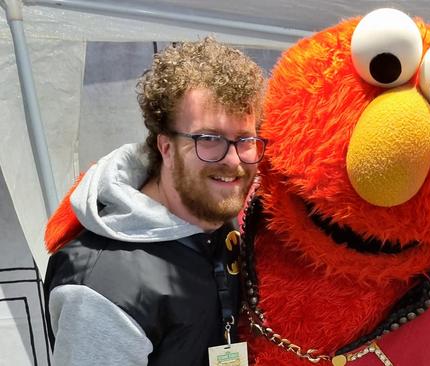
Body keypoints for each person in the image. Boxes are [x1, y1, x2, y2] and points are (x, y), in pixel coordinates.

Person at [43, 38, 265, 366]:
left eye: (244, 140)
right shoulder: (102, 290)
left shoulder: (224, 222)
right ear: (166, 147)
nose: (233, 161)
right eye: (209, 139)